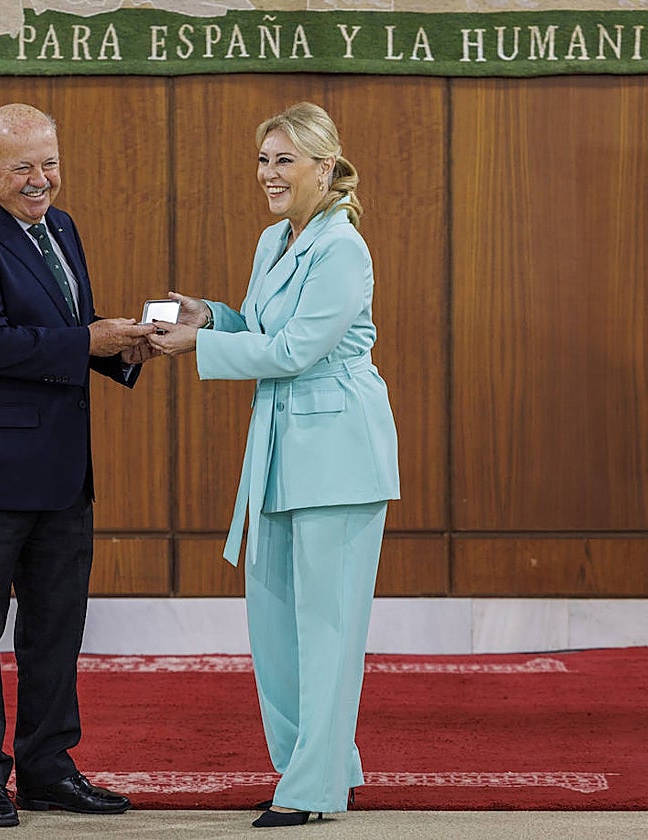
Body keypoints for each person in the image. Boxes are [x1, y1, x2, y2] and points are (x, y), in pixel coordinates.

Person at [147, 102, 400, 828]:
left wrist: (201, 349)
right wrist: (211, 317)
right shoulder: (272, 240)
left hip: (339, 455)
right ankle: (314, 768)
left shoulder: (344, 247)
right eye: (263, 160)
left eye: (284, 160)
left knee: (327, 629)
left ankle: (311, 791)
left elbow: (295, 352)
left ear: (326, 167)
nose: (269, 174)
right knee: (277, 626)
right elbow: (264, 328)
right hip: (281, 454)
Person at [0, 103, 155, 828]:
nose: (39, 180)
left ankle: (49, 770)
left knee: (55, 629)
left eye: (48, 162)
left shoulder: (62, 227)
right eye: (21, 166)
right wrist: (91, 339)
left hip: (59, 473)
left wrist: (118, 350)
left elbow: (63, 335)